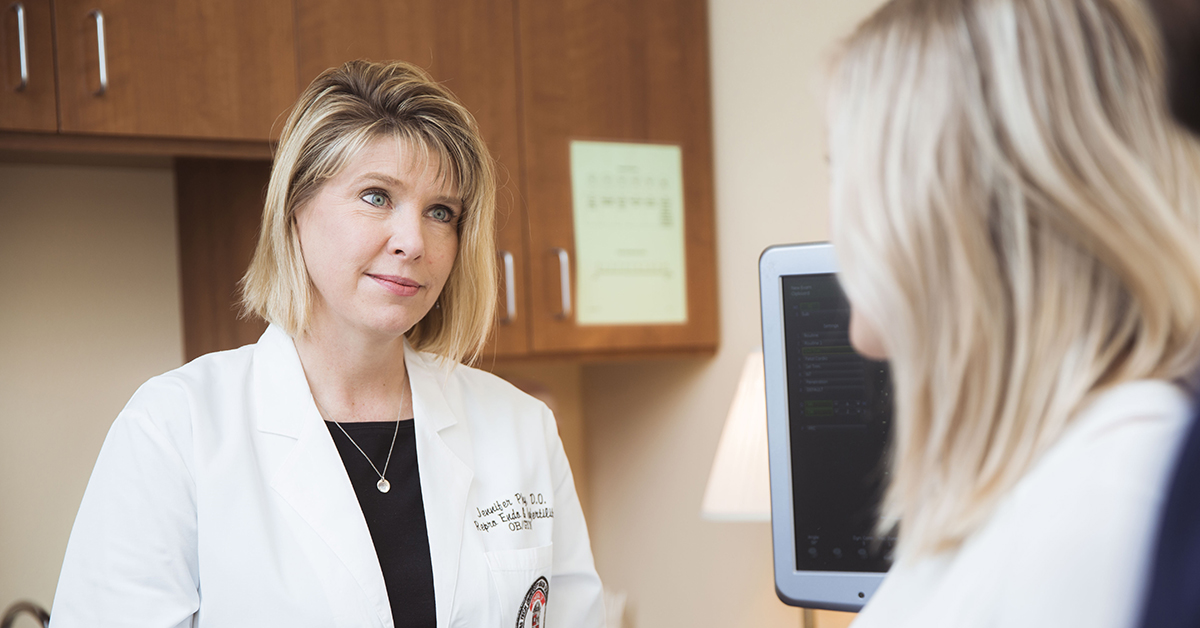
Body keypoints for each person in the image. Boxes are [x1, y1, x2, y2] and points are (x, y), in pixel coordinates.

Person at [49, 60, 606, 628]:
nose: (414, 242)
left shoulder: (520, 426)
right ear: (295, 211)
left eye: (442, 212)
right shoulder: (176, 428)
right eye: (375, 197)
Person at [824, 0, 1200, 626]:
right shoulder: (995, 487)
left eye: (841, 167)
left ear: (938, 202)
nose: (835, 214)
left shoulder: (1104, 499)